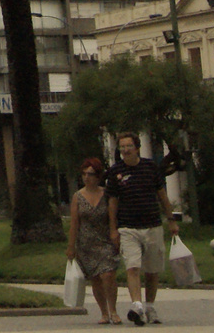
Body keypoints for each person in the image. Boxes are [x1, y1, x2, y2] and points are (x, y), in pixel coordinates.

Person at [107, 132, 176, 326]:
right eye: (122, 147)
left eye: (129, 146)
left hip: (152, 225)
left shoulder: (150, 167)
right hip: (128, 227)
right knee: (133, 266)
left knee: (152, 270)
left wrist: (171, 220)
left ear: (137, 148)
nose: (125, 150)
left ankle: (150, 306)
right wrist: (113, 229)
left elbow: (162, 195)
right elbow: (112, 202)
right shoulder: (115, 171)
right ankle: (136, 305)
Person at [69, 157, 121, 325]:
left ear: (98, 176)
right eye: (84, 174)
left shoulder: (107, 194)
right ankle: (104, 312)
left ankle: (113, 310)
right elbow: (74, 223)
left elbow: (113, 217)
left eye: (90, 174)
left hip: (104, 240)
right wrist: (71, 247)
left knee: (108, 274)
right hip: (86, 244)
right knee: (96, 279)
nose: (86, 177)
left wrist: (114, 233)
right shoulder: (78, 196)